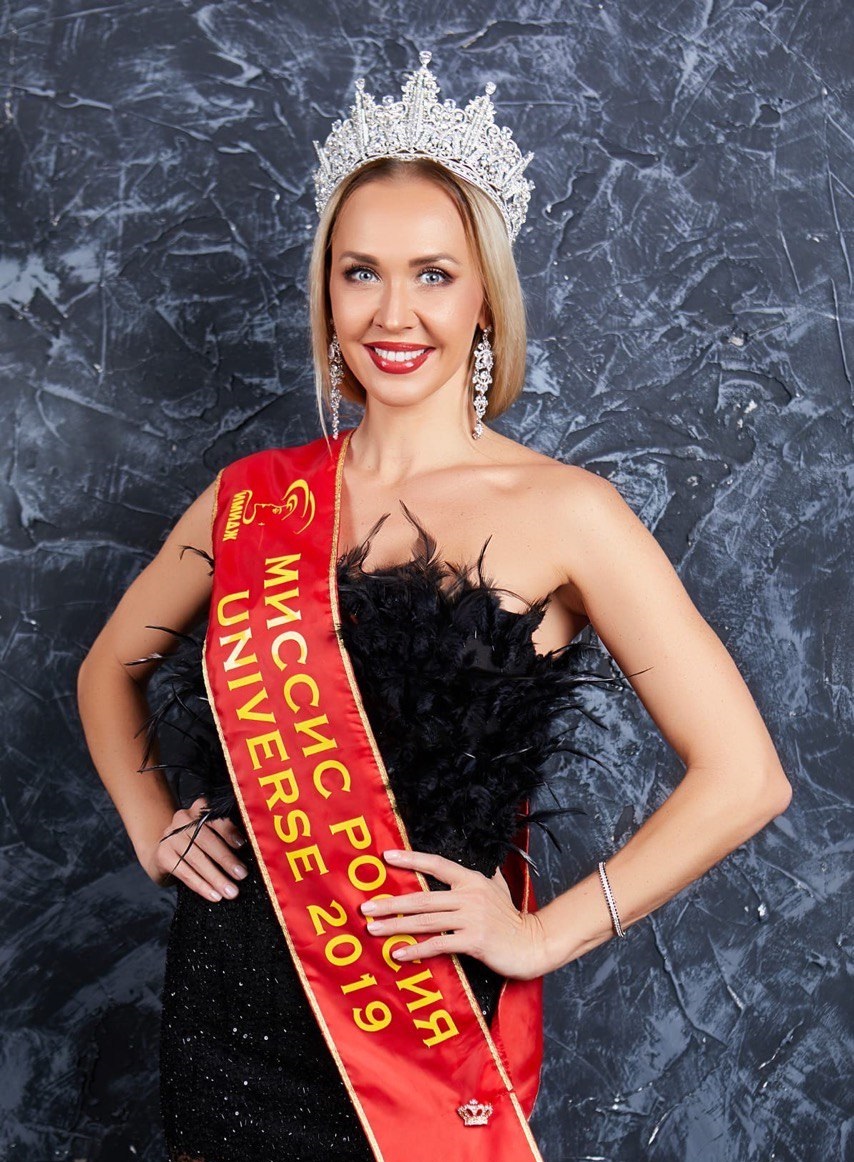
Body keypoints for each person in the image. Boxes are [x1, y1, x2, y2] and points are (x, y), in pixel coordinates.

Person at [76, 51, 792, 1162]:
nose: (393, 312)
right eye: (360, 272)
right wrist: (155, 824)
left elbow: (745, 777)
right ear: (327, 292)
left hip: (418, 1033)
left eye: (434, 274)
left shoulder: (567, 511)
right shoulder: (252, 497)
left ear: (484, 295)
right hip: (225, 1015)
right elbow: (106, 669)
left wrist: (543, 935)